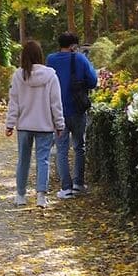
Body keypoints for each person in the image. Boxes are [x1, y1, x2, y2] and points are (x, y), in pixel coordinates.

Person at [5, 39, 65, 208]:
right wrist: (59, 125)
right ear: (40, 55)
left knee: (23, 160)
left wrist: (10, 124)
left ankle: (20, 195)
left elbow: (14, 103)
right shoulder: (51, 76)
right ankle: (41, 196)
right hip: (45, 125)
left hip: (24, 125)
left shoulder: (18, 75)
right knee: (43, 160)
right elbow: (56, 103)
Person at [47, 32, 98, 198]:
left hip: (57, 111)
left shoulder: (51, 60)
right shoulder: (80, 58)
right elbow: (93, 81)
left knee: (61, 150)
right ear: (73, 45)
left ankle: (66, 188)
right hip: (77, 109)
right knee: (79, 147)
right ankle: (78, 184)